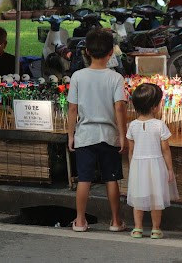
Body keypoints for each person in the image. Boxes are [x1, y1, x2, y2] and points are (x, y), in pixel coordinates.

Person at [67, 28, 128, 232]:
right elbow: (119, 107)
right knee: (112, 178)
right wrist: (122, 135)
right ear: (111, 52)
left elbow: (72, 109)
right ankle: (116, 221)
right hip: (109, 136)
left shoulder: (77, 76)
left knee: (84, 179)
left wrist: (70, 135)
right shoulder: (115, 78)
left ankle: (81, 220)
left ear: (86, 52)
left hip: (84, 135)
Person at [126, 83, 179, 239]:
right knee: (157, 198)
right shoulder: (159, 125)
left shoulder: (132, 126)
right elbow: (165, 150)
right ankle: (156, 229)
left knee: (138, 198)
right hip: (156, 166)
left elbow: (130, 150)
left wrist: (132, 167)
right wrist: (170, 169)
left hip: (138, 165)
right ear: (155, 107)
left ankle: (137, 228)